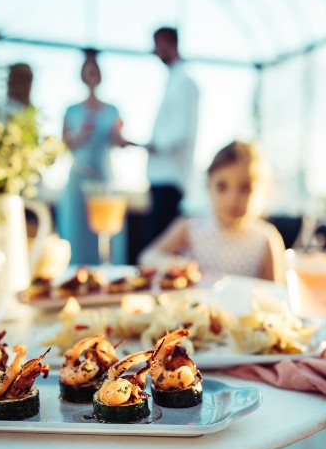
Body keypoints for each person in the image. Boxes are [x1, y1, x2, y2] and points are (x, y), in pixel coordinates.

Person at [138, 140, 286, 284]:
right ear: (209, 187)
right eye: (222, 187)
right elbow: (147, 257)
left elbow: (276, 295)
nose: (232, 198)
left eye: (245, 188)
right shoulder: (190, 228)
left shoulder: (266, 239)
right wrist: (170, 263)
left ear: (264, 192)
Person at [56, 49, 132, 265]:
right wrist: (76, 138)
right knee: (77, 229)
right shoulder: (71, 110)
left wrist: (127, 139)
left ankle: (108, 275)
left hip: (104, 175)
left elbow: (118, 140)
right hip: (78, 177)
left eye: (94, 69)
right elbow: (63, 145)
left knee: (107, 229)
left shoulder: (112, 110)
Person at [143, 26, 199, 246]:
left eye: (158, 44)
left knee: (158, 244)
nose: (156, 51)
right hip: (161, 176)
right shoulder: (174, 80)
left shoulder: (185, 82)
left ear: (169, 44)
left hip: (171, 177)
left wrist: (154, 145)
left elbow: (182, 131)